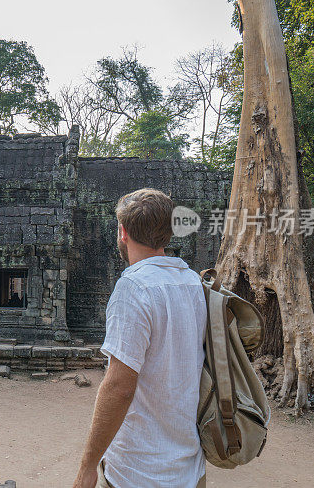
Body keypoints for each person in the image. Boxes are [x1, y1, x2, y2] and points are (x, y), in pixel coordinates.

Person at [72, 188, 207, 488]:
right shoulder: (194, 284)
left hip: (139, 472)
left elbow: (119, 387)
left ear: (122, 232)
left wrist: (87, 467)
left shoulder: (134, 288)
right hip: (190, 469)